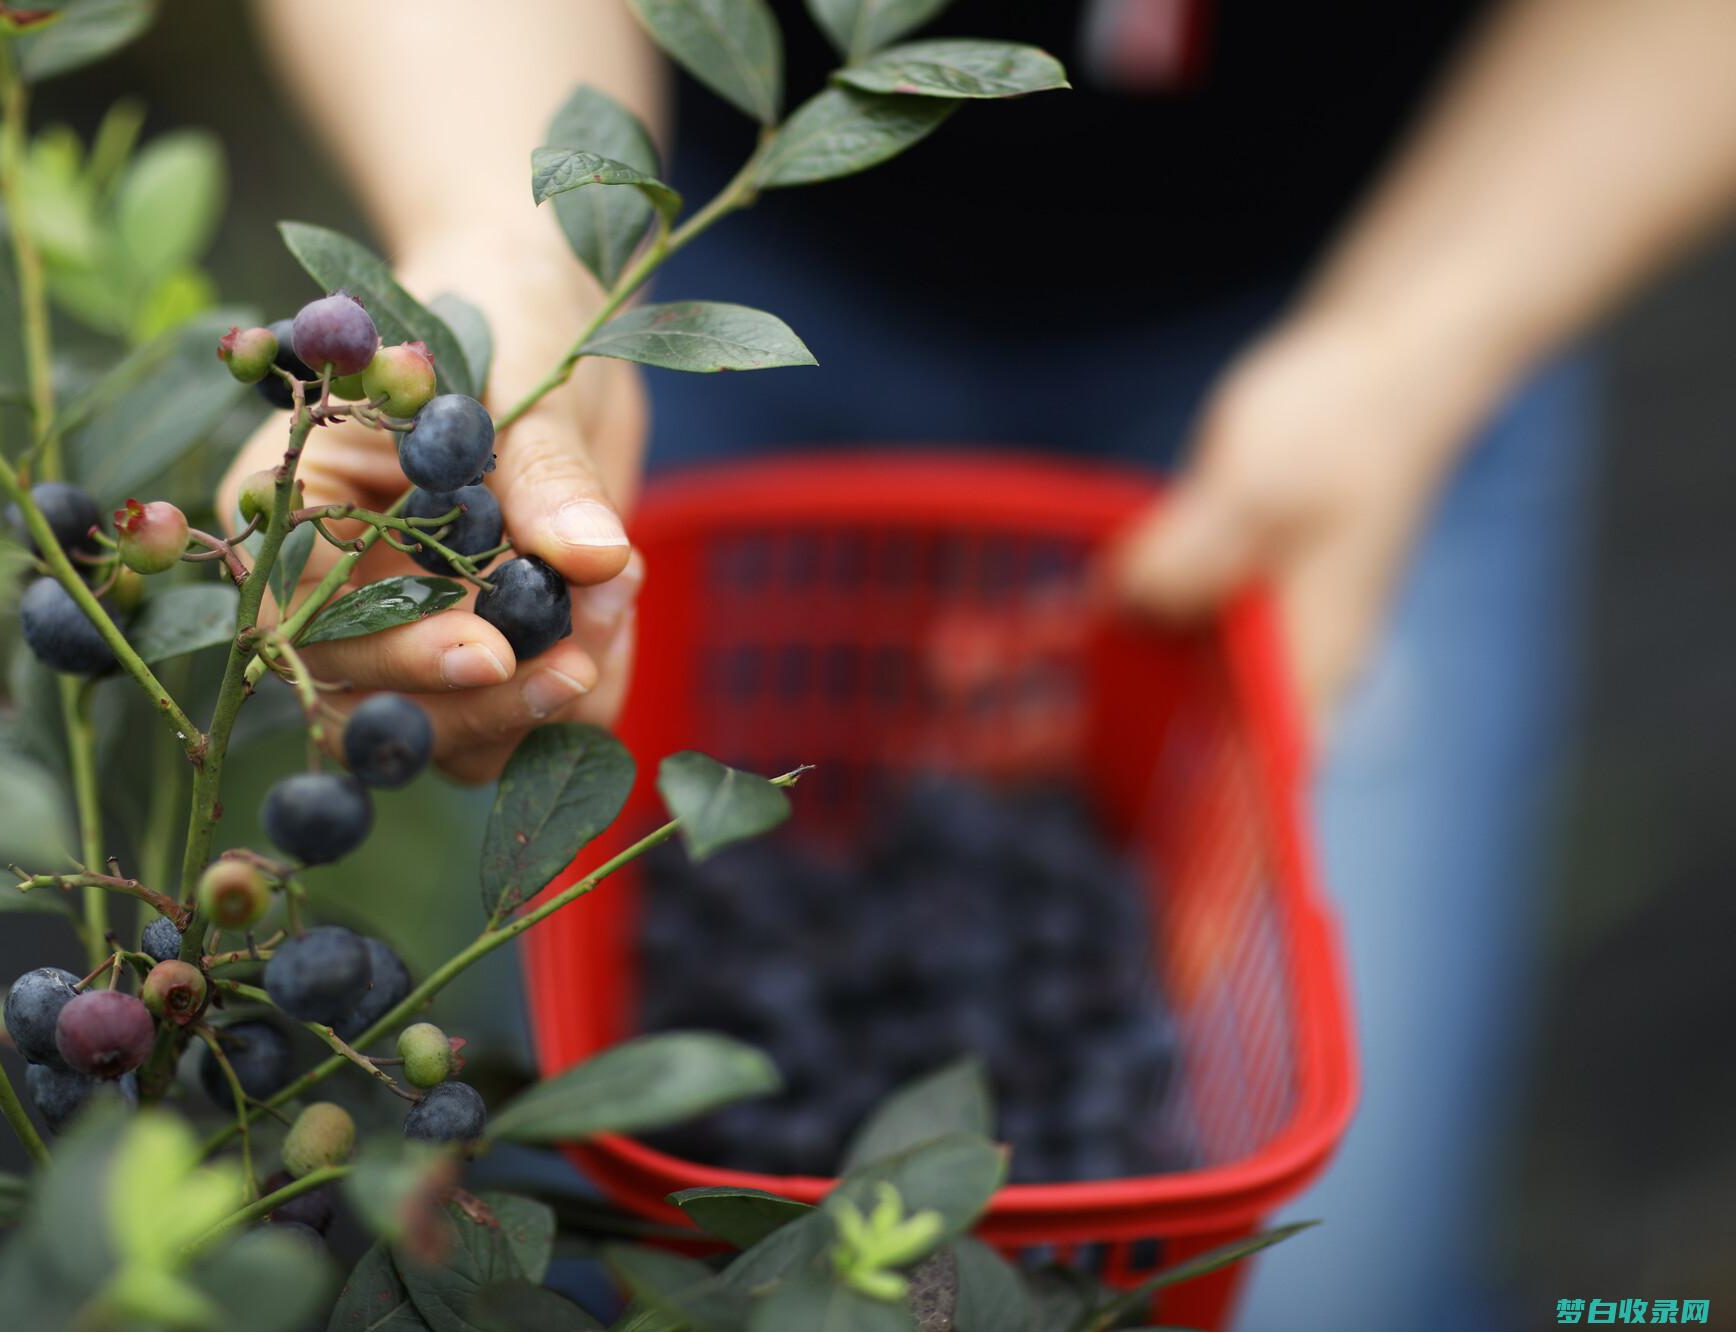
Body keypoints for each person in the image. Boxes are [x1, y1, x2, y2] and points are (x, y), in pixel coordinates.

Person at [220, 2, 1736, 1325]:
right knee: (644, 1180)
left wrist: (1409, 359)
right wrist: (521, 260)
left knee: (1328, 1278)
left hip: (1399, 284)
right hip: (703, 270)